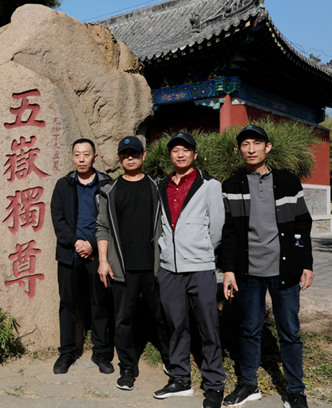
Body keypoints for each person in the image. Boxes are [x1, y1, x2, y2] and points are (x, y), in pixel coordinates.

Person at [222, 125, 314, 408]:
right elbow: (229, 232)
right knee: (249, 328)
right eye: (245, 144)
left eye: (256, 143)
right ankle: (248, 384)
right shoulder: (231, 185)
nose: (251, 149)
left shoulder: (288, 181)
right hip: (248, 271)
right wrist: (228, 269)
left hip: (284, 269)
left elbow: (302, 224)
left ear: (268, 147)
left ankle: (295, 390)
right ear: (238, 150)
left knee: (290, 332)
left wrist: (306, 262)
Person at [153, 133, 226, 408]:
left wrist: (203, 250)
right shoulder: (162, 185)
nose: (180, 154)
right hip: (169, 269)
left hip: (200, 267)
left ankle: (214, 383)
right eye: (175, 150)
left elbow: (217, 226)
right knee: (176, 325)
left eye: (186, 150)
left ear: (195, 154)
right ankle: (180, 378)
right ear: (169, 156)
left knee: (208, 326)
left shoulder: (210, 185)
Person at [96, 136, 169, 391]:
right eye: (125, 153)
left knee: (163, 316)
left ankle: (171, 359)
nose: (130, 157)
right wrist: (103, 261)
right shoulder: (110, 191)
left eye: (134, 153)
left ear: (143, 155)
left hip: (155, 266)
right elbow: (102, 227)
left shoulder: (157, 187)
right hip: (121, 268)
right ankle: (127, 367)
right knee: (123, 320)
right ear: (119, 158)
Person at [50, 138, 114, 374]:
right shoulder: (63, 184)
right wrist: (76, 242)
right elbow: (57, 218)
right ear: (72, 157)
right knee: (67, 303)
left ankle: (101, 352)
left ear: (94, 157)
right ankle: (67, 352)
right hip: (70, 254)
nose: (81, 159)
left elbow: (113, 220)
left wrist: (93, 244)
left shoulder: (107, 185)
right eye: (77, 154)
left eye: (86, 154)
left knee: (100, 303)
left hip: (98, 254)